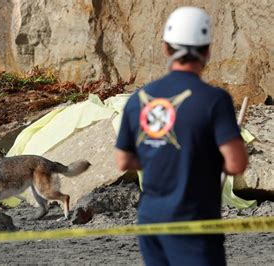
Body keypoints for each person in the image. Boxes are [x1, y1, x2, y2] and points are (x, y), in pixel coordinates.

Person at [114, 6, 248, 266]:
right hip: (193, 218)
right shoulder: (214, 100)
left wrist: (162, 155)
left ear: (166, 48)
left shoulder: (139, 99)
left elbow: (123, 160)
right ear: (207, 51)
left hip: (151, 219)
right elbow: (236, 164)